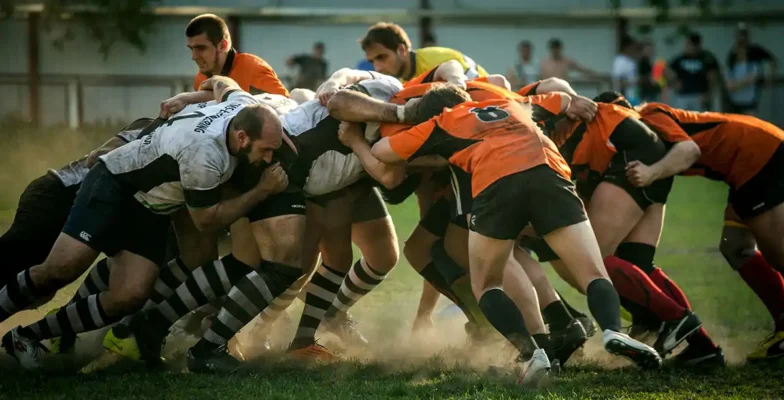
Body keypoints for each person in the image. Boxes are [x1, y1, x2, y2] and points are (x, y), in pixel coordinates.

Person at [0, 76, 289, 370]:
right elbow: (206, 221)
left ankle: (26, 335)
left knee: (130, 295)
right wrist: (261, 191)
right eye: (265, 150)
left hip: (150, 206)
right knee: (61, 268)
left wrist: (187, 98)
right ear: (242, 138)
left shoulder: (243, 103)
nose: (269, 158)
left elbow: (222, 81)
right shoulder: (204, 153)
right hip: (116, 183)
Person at [634, 101, 784, 362]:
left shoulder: (648, 115)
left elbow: (689, 150)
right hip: (747, 161)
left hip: (757, 157)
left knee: (779, 254)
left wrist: (650, 173)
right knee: (735, 246)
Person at [189, 14, 289, 96]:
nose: (194, 56)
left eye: (201, 48)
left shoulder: (253, 69)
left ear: (223, 45)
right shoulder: (200, 79)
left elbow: (286, 106)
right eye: (191, 49)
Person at [359, 22, 487, 84]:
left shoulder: (439, 59)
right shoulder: (404, 83)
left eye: (382, 57)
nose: (377, 68)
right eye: (372, 61)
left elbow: (478, 90)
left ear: (401, 50)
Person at [725, 24, 778, 115]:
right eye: (739, 35)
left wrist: (770, 79)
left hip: (753, 93)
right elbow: (729, 76)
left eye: (743, 34)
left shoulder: (755, 50)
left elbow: (773, 62)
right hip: (736, 97)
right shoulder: (733, 54)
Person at [666, 32, 719, 112]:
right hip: (682, 96)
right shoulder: (680, 58)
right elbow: (667, 69)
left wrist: (709, 94)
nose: (686, 47)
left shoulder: (707, 58)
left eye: (688, 44)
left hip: (699, 95)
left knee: (699, 121)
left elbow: (712, 77)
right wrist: (674, 83)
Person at [611, 35, 639, 105]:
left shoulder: (631, 60)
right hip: (625, 98)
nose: (634, 50)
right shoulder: (620, 61)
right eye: (632, 47)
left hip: (633, 95)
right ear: (627, 47)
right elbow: (617, 79)